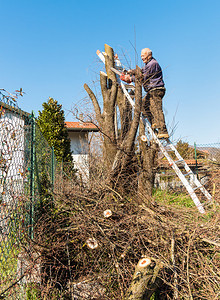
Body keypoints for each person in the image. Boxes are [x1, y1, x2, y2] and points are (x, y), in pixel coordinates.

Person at [120, 48, 169, 139]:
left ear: (149, 55)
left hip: (156, 89)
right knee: (143, 106)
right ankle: (154, 122)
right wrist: (130, 72)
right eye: (141, 55)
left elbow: (143, 77)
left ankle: (163, 131)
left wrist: (130, 79)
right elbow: (142, 71)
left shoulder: (152, 64)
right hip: (151, 90)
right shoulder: (148, 64)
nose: (142, 57)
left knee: (157, 109)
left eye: (143, 55)